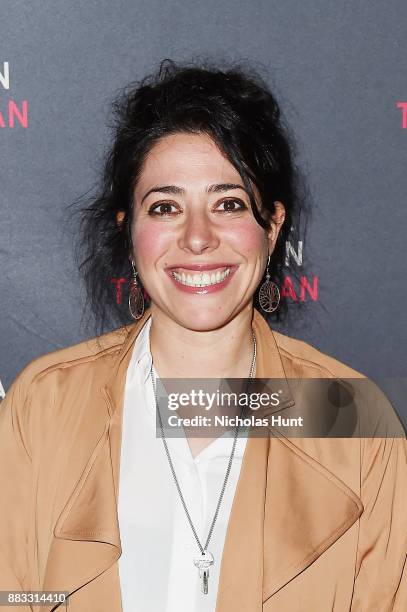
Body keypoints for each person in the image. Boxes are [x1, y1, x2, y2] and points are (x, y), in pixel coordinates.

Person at [0, 60, 406, 612]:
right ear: (129, 229)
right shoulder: (44, 405)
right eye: (165, 207)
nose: (197, 238)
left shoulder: (350, 416)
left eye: (229, 203)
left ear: (273, 226)